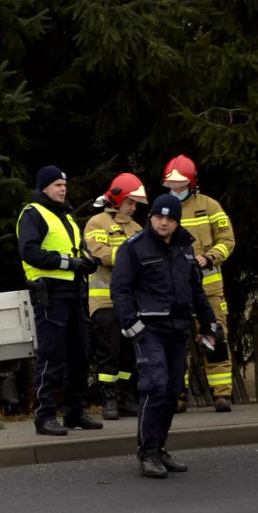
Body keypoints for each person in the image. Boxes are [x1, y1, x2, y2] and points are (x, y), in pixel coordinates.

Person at [110, 193, 223, 478]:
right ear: (150, 219)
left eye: (170, 218)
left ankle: (159, 448)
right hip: (148, 330)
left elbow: (196, 291)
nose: (163, 223)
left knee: (172, 392)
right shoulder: (134, 248)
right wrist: (133, 326)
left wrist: (209, 324)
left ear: (177, 221)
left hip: (178, 329)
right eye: (159, 217)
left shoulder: (185, 248)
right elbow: (120, 291)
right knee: (155, 385)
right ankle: (147, 453)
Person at [17, 165, 104, 436]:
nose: (63, 188)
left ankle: (74, 412)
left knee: (79, 355)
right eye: (57, 184)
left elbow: (77, 250)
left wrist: (88, 262)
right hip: (50, 293)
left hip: (74, 293)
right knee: (51, 355)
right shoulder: (33, 214)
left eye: (64, 184)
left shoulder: (65, 215)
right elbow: (29, 251)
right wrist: (69, 263)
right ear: (43, 187)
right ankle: (44, 417)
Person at [163, 155, 236, 412]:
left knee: (214, 338)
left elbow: (228, 241)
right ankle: (177, 395)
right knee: (175, 342)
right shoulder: (164, 211)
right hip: (175, 291)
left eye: (180, 186)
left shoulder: (211, 207)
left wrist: (209, 257)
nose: (175, 190)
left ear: (192, 184)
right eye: (171, 186)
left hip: (209, 290)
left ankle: (222, 395)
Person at [84, 173, 147, 421]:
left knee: (130, 352)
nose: (134, 208)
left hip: (131, 302)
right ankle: (108, 399)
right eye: (131, 202)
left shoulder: (138, 229)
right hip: (104, 302)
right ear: (118, 199)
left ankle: (123, 396)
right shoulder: (96, 223)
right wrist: (132, 255)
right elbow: (100, 254)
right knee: (108, 352)